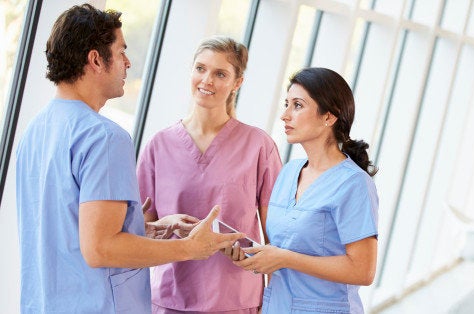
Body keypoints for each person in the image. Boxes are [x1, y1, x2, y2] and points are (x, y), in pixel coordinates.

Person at [15, 4, 243, 314]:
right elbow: (100, 248)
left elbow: (69, 229)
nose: (128, 63)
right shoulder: (104, 137)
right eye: (121, 52)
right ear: (96, 60)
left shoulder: (36, 128)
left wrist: (143, 228)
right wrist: (190, 248)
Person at [136, 35, 282, 313]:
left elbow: (277, 240)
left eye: (220, 73)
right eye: (200, 68)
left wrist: (272, 300)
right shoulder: (159, 145)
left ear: (237, 83)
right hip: (170, 299)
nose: (207, 80)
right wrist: (164, 224)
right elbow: (140, 232)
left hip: (236, 301)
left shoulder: (259, 147)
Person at [234, 67, 379, 313]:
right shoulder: (289, 172)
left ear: (329, 117)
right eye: (286, 104)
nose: (285, 115)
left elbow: (363, 271)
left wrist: (285, 258)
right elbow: (278, 248)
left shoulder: (354, 184)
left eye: (298, 105)